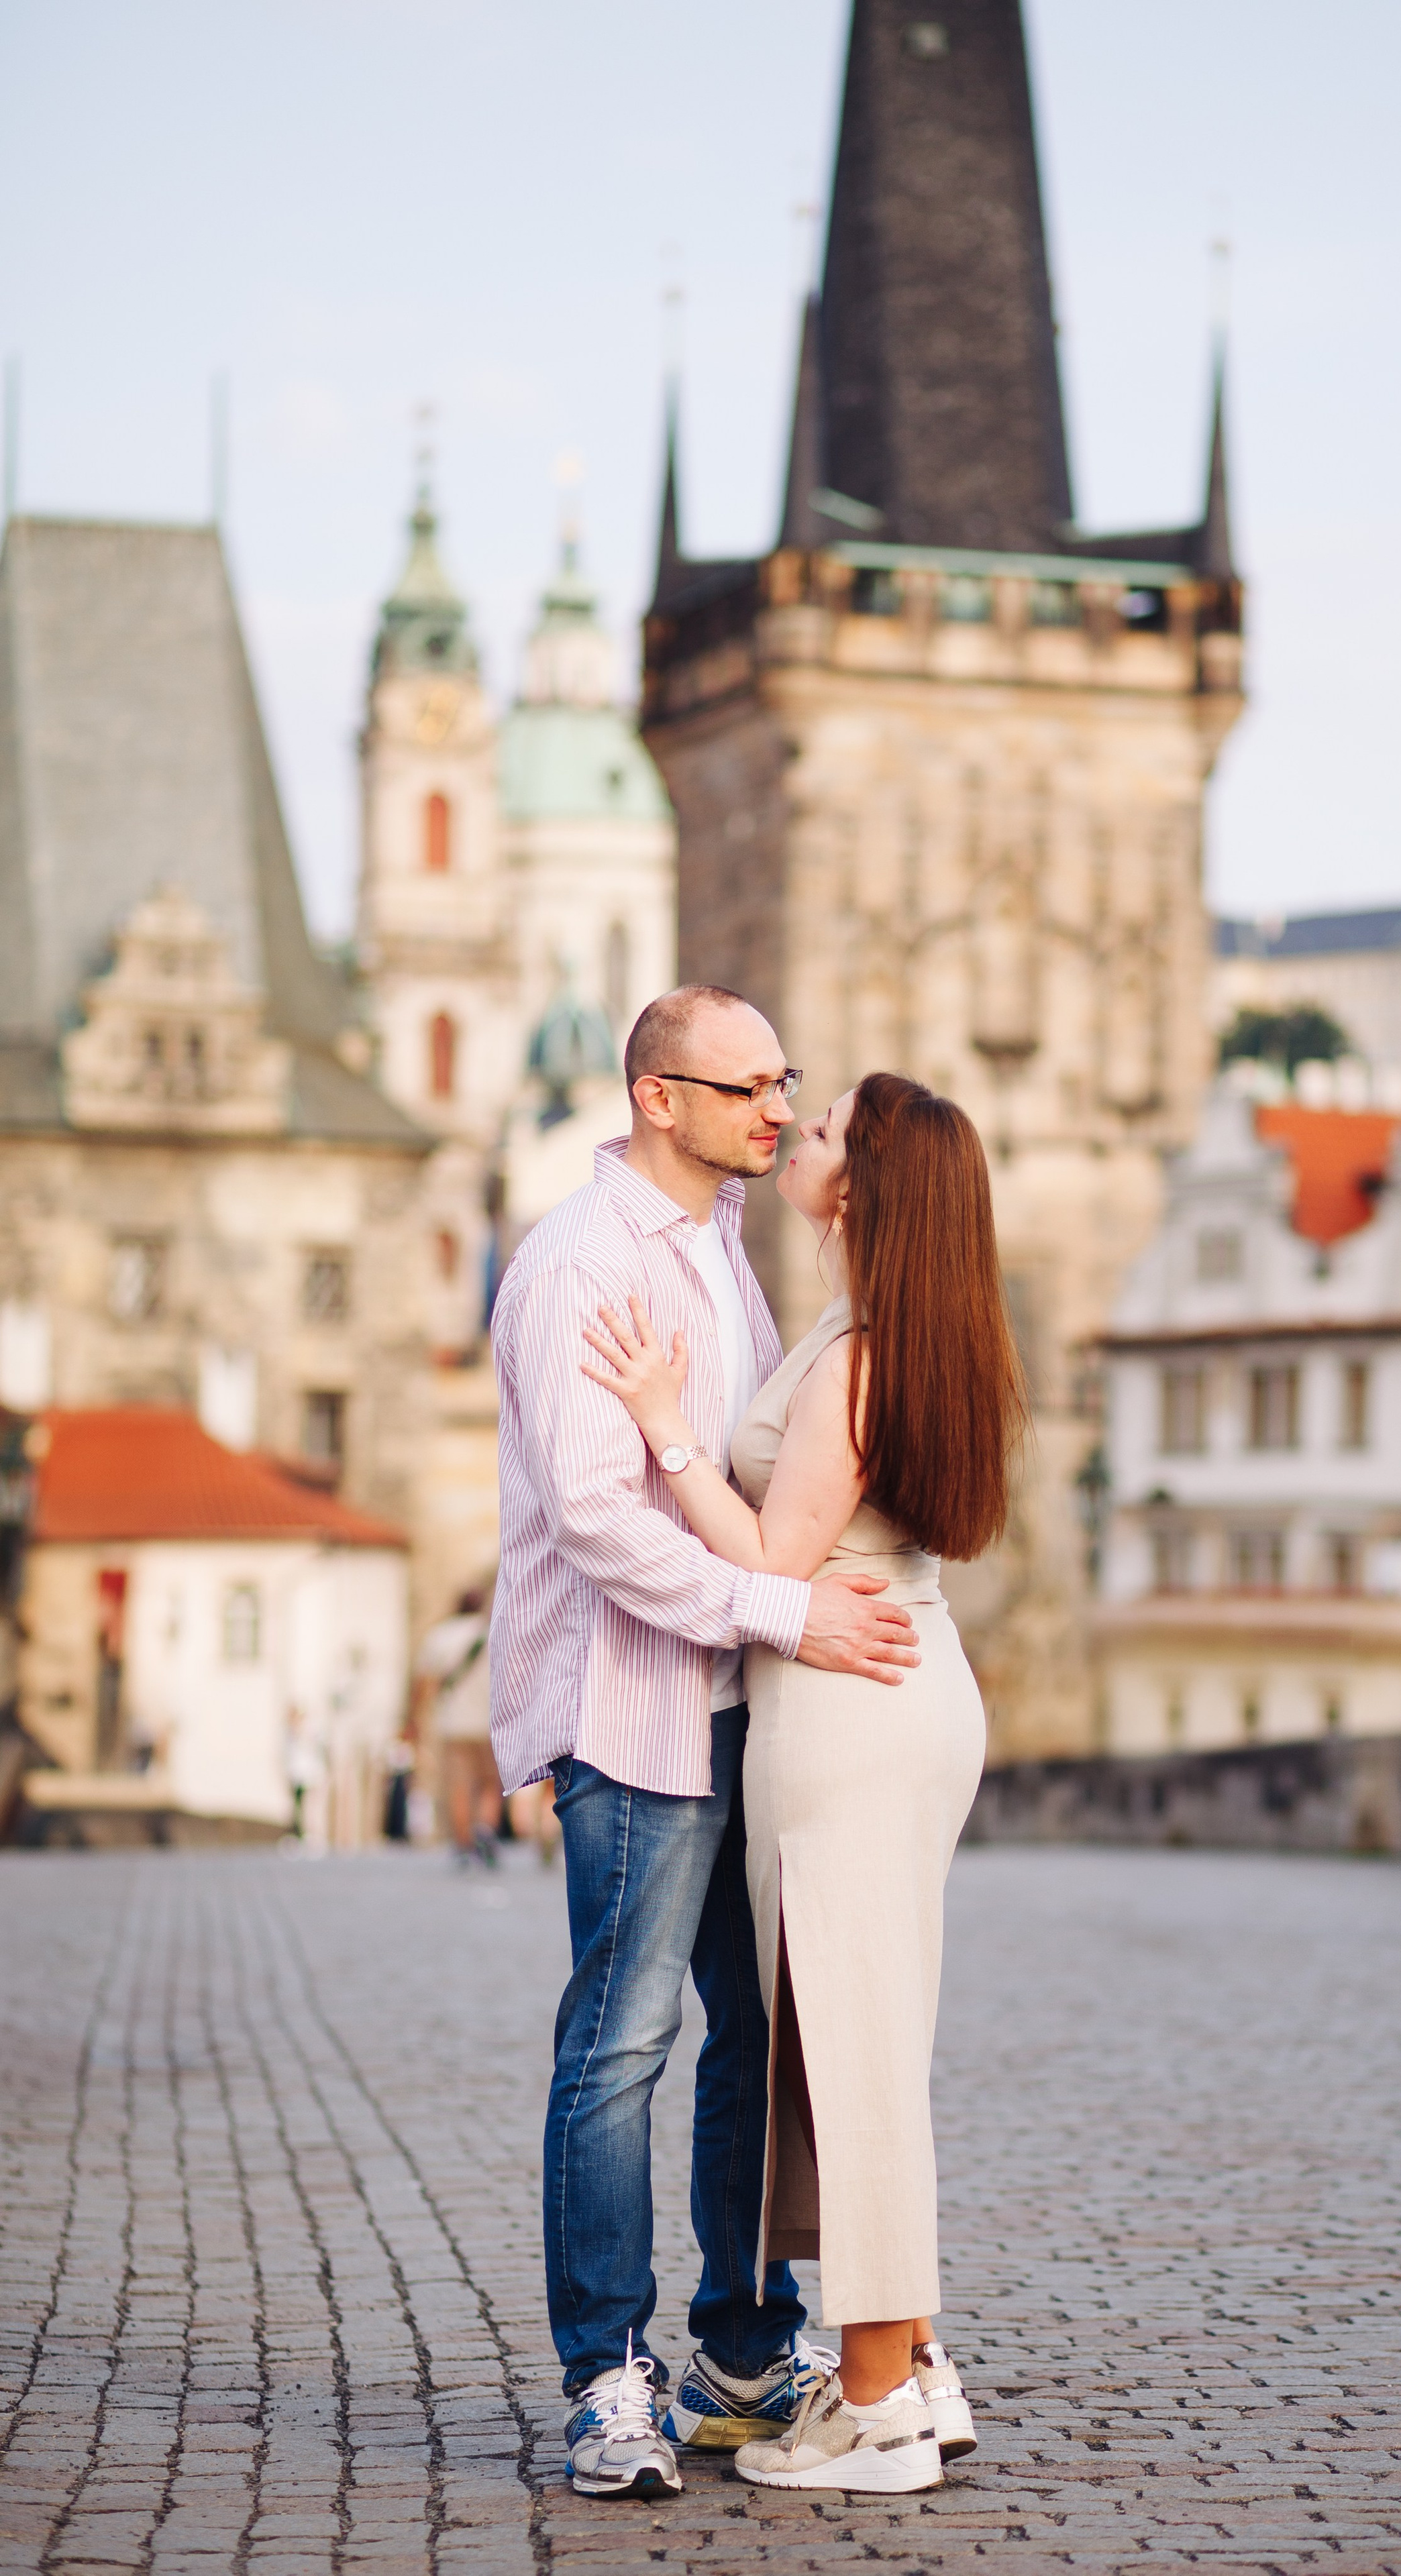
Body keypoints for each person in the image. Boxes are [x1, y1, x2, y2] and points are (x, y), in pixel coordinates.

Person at [487, 985, 923, 2503]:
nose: (774, 1108)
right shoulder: (573, 1266)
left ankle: (743, 2346)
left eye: (780, 1082)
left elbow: (748, 1470)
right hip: (631, 1707)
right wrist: (781, 1608)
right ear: (656, 1098)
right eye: (744, 1087)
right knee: (619, 2043)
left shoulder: (725, 1255)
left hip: (747, 1707)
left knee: (758, 2033)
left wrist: (783, 1613)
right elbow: (602, 1521)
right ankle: (608, 2373)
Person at [581, 1068, 1028, 2495]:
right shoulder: (876, 1329)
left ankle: (878, 2405)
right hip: (894, 1693)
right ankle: (912, 2364)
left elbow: (767, 1567)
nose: (797, 1128)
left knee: (848, 2052)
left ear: (866, 1187)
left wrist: (660, 1425)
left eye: (825, 1127)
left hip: (842, 1710)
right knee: (852, 2038)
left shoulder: (854, 1353)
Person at [411, 1583, 503, 1864]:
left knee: (459, 1786)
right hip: (491, 1722)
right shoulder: (494, 1632)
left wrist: (415, 1719)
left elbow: (424, 1683)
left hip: (453, 1725)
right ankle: (485, 1828)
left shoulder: (441, 1636)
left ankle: (463, 1845)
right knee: (491, 1784)